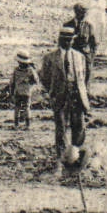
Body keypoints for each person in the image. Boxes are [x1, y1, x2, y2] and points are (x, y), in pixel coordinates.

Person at [39, 26, 91, 173]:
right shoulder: (50, 58)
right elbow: (45, 78)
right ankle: (61, 160)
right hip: (60, 97)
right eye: (64, 39)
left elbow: (84, 77)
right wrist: (54, 91)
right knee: (61, 129)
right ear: (59, 40)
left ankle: (77, 159)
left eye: (70, 40)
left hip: (77, 97)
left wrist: (83, 93)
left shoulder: (79, 56)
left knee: (79, 126)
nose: (67, 42)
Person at [10, 52, 37, 129]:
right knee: (27, 108)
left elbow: (12, 82)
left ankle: (16, 124)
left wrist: (11, 92)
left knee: (17, 108)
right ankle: (28, 125)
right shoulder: (30, 70)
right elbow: (35, 80)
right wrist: (29, 82)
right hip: (27, 92)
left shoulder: (16, 70)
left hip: (17, 91)